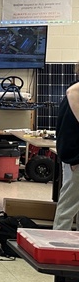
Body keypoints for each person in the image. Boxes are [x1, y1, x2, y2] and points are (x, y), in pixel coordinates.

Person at [53, 64, 79, 231]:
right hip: (76, 158)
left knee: (70, 204)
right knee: (68, 206)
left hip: (73, 157)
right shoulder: (75, 92)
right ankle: (55, 248)